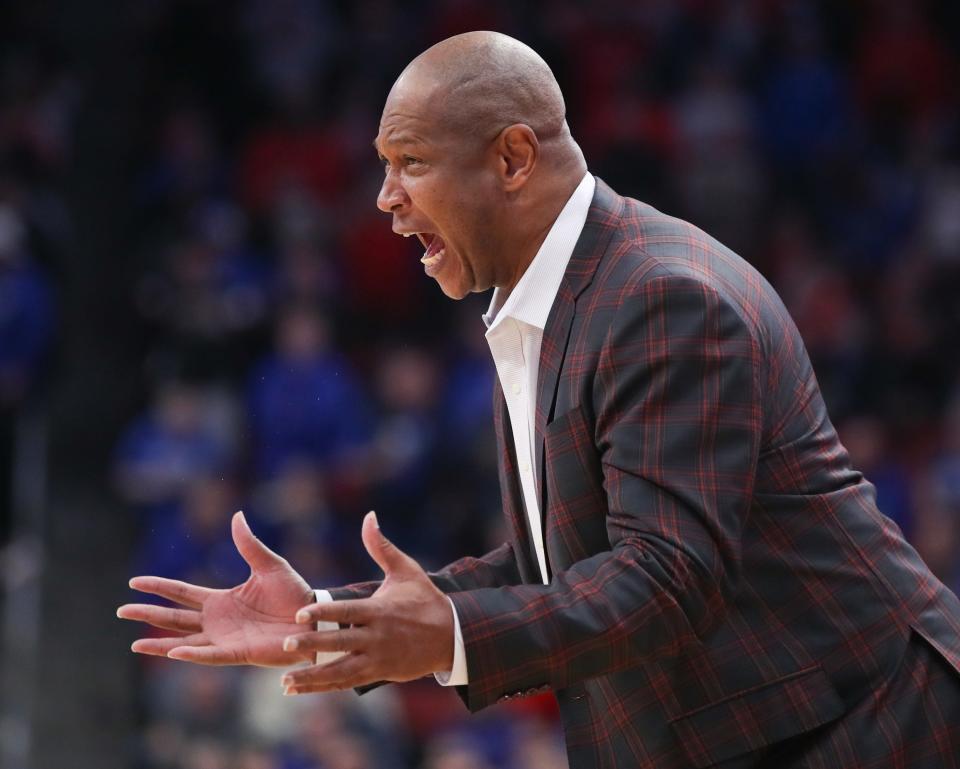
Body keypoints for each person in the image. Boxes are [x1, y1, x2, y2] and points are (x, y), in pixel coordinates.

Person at [118, 31, 960, 768]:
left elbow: (668, 579)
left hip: (874, 725)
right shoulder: (554, 298)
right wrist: (330, 621)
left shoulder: (662, 298)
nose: (384, 198)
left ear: (514, 159)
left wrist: (443, 639)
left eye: (410, 163)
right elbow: (562, 561)